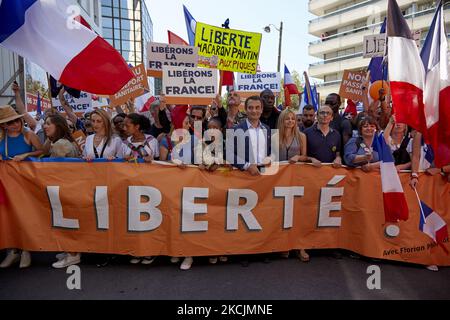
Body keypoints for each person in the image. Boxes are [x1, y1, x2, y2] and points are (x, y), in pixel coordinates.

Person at [0, 105, 44, 269]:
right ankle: (12, 251)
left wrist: (27, 154)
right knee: (8, 217)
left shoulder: (28, 134)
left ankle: (26, 250)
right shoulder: (0, 137)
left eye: (16, 120)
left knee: (24, 215)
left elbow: (41, 150)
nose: (15, 124)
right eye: (10, 123)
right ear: (4, 125)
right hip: (5, 184)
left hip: (24, 182)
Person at [276, 108, 310, 262]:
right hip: (279, 179)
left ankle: (300, 246)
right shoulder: (275, 136)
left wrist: (298, 157)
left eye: (293, 118)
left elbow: (305, 156)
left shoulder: (301, 136)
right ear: (282, 121)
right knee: (281, 213)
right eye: (287, 118)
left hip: (297, 179)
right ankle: (283, 245)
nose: (290, 121)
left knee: (297, 213)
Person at [228, 96, 272, 175]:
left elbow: (269, 150)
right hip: (244, 175)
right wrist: (247, 166)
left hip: (264, 174)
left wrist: (270, 158)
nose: (254, 111)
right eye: (250, 108)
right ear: (245, 110)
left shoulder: (267, 128)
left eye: (257, 107)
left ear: (261, 110)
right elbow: (228, 153)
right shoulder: (234, 129)